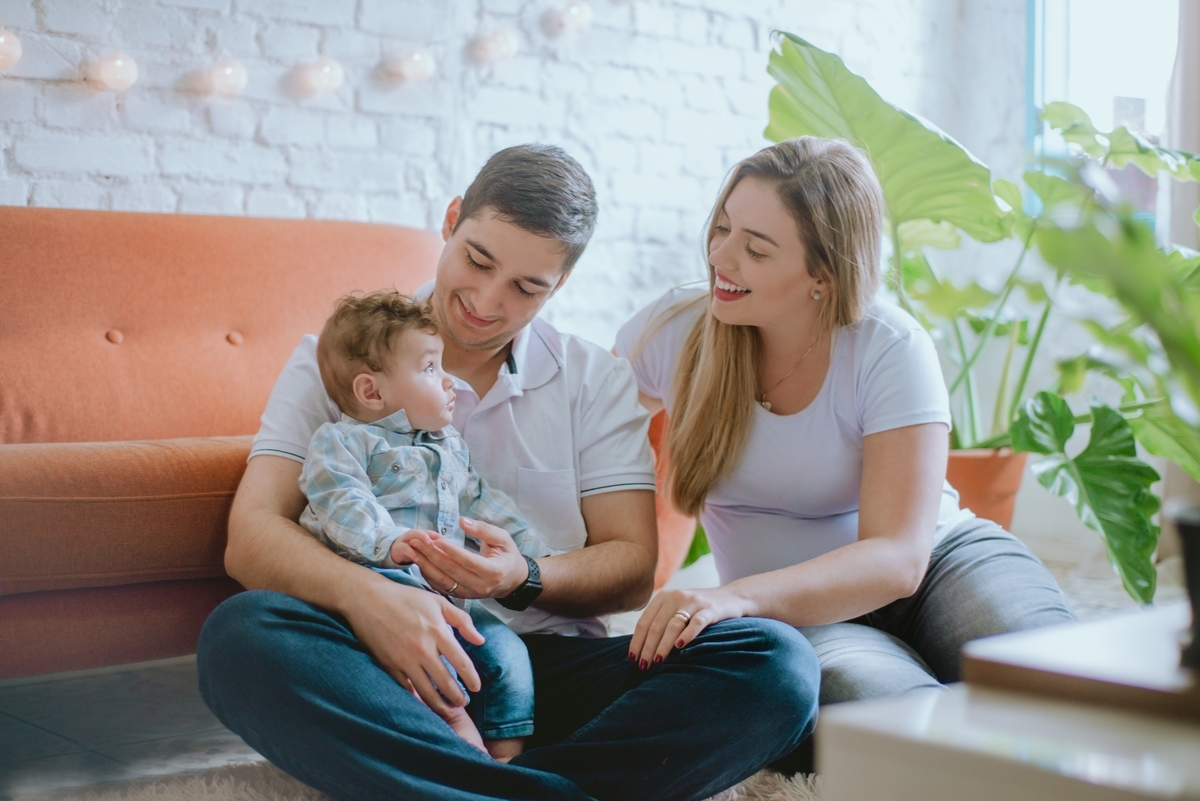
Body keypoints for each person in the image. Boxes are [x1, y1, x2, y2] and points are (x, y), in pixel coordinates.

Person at [197, 143, 819, 801]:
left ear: (561, 285)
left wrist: (524, 576)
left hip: (544, 670)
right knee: (240, 637)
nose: (487, 302)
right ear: (452, 218)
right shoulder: (334, 360)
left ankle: (463, 787)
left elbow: (632, 565)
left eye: (527, 287)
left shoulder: (593, 381)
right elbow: (253, 533)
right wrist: (371, 597)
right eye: (478, 259)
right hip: (385, 658)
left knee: (775, 665)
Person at [615, 136, 1074, 771]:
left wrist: (734, 597)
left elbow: (899, 558)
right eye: (722, 229)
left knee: (1066, 690)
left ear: (822, 276)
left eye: (756, 248)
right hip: (803, 621)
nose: (721, 257)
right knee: (915, 742)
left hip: (939, 563)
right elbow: (579, 442)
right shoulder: (674, 332)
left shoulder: (888, 346)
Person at [299, 289, 548, 761]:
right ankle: (457, 737)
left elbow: (481, 502)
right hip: (380, 583)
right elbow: (340, 499)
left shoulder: (448, 445)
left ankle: (508, 757)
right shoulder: (343, 441)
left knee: (510, 655)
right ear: (372, 391)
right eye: (431, 368)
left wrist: (531, 554)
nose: (450, 380)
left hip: (446, 597)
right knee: (419, 673)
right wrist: (389, 541)